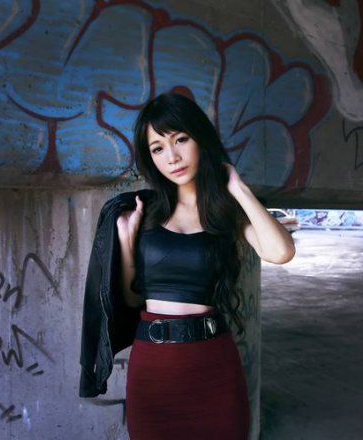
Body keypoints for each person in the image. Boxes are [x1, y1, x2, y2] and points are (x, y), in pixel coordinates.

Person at [116, 92, 295, 439]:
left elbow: (281, 252)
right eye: (158, 148)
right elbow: (130, 298)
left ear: (201, 140)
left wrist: (238, 188)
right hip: (152, 372)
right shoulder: (145, 213)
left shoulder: (224, 214)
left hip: (213, 368)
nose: (172, 157)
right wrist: (126, 241)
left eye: (181, 139)